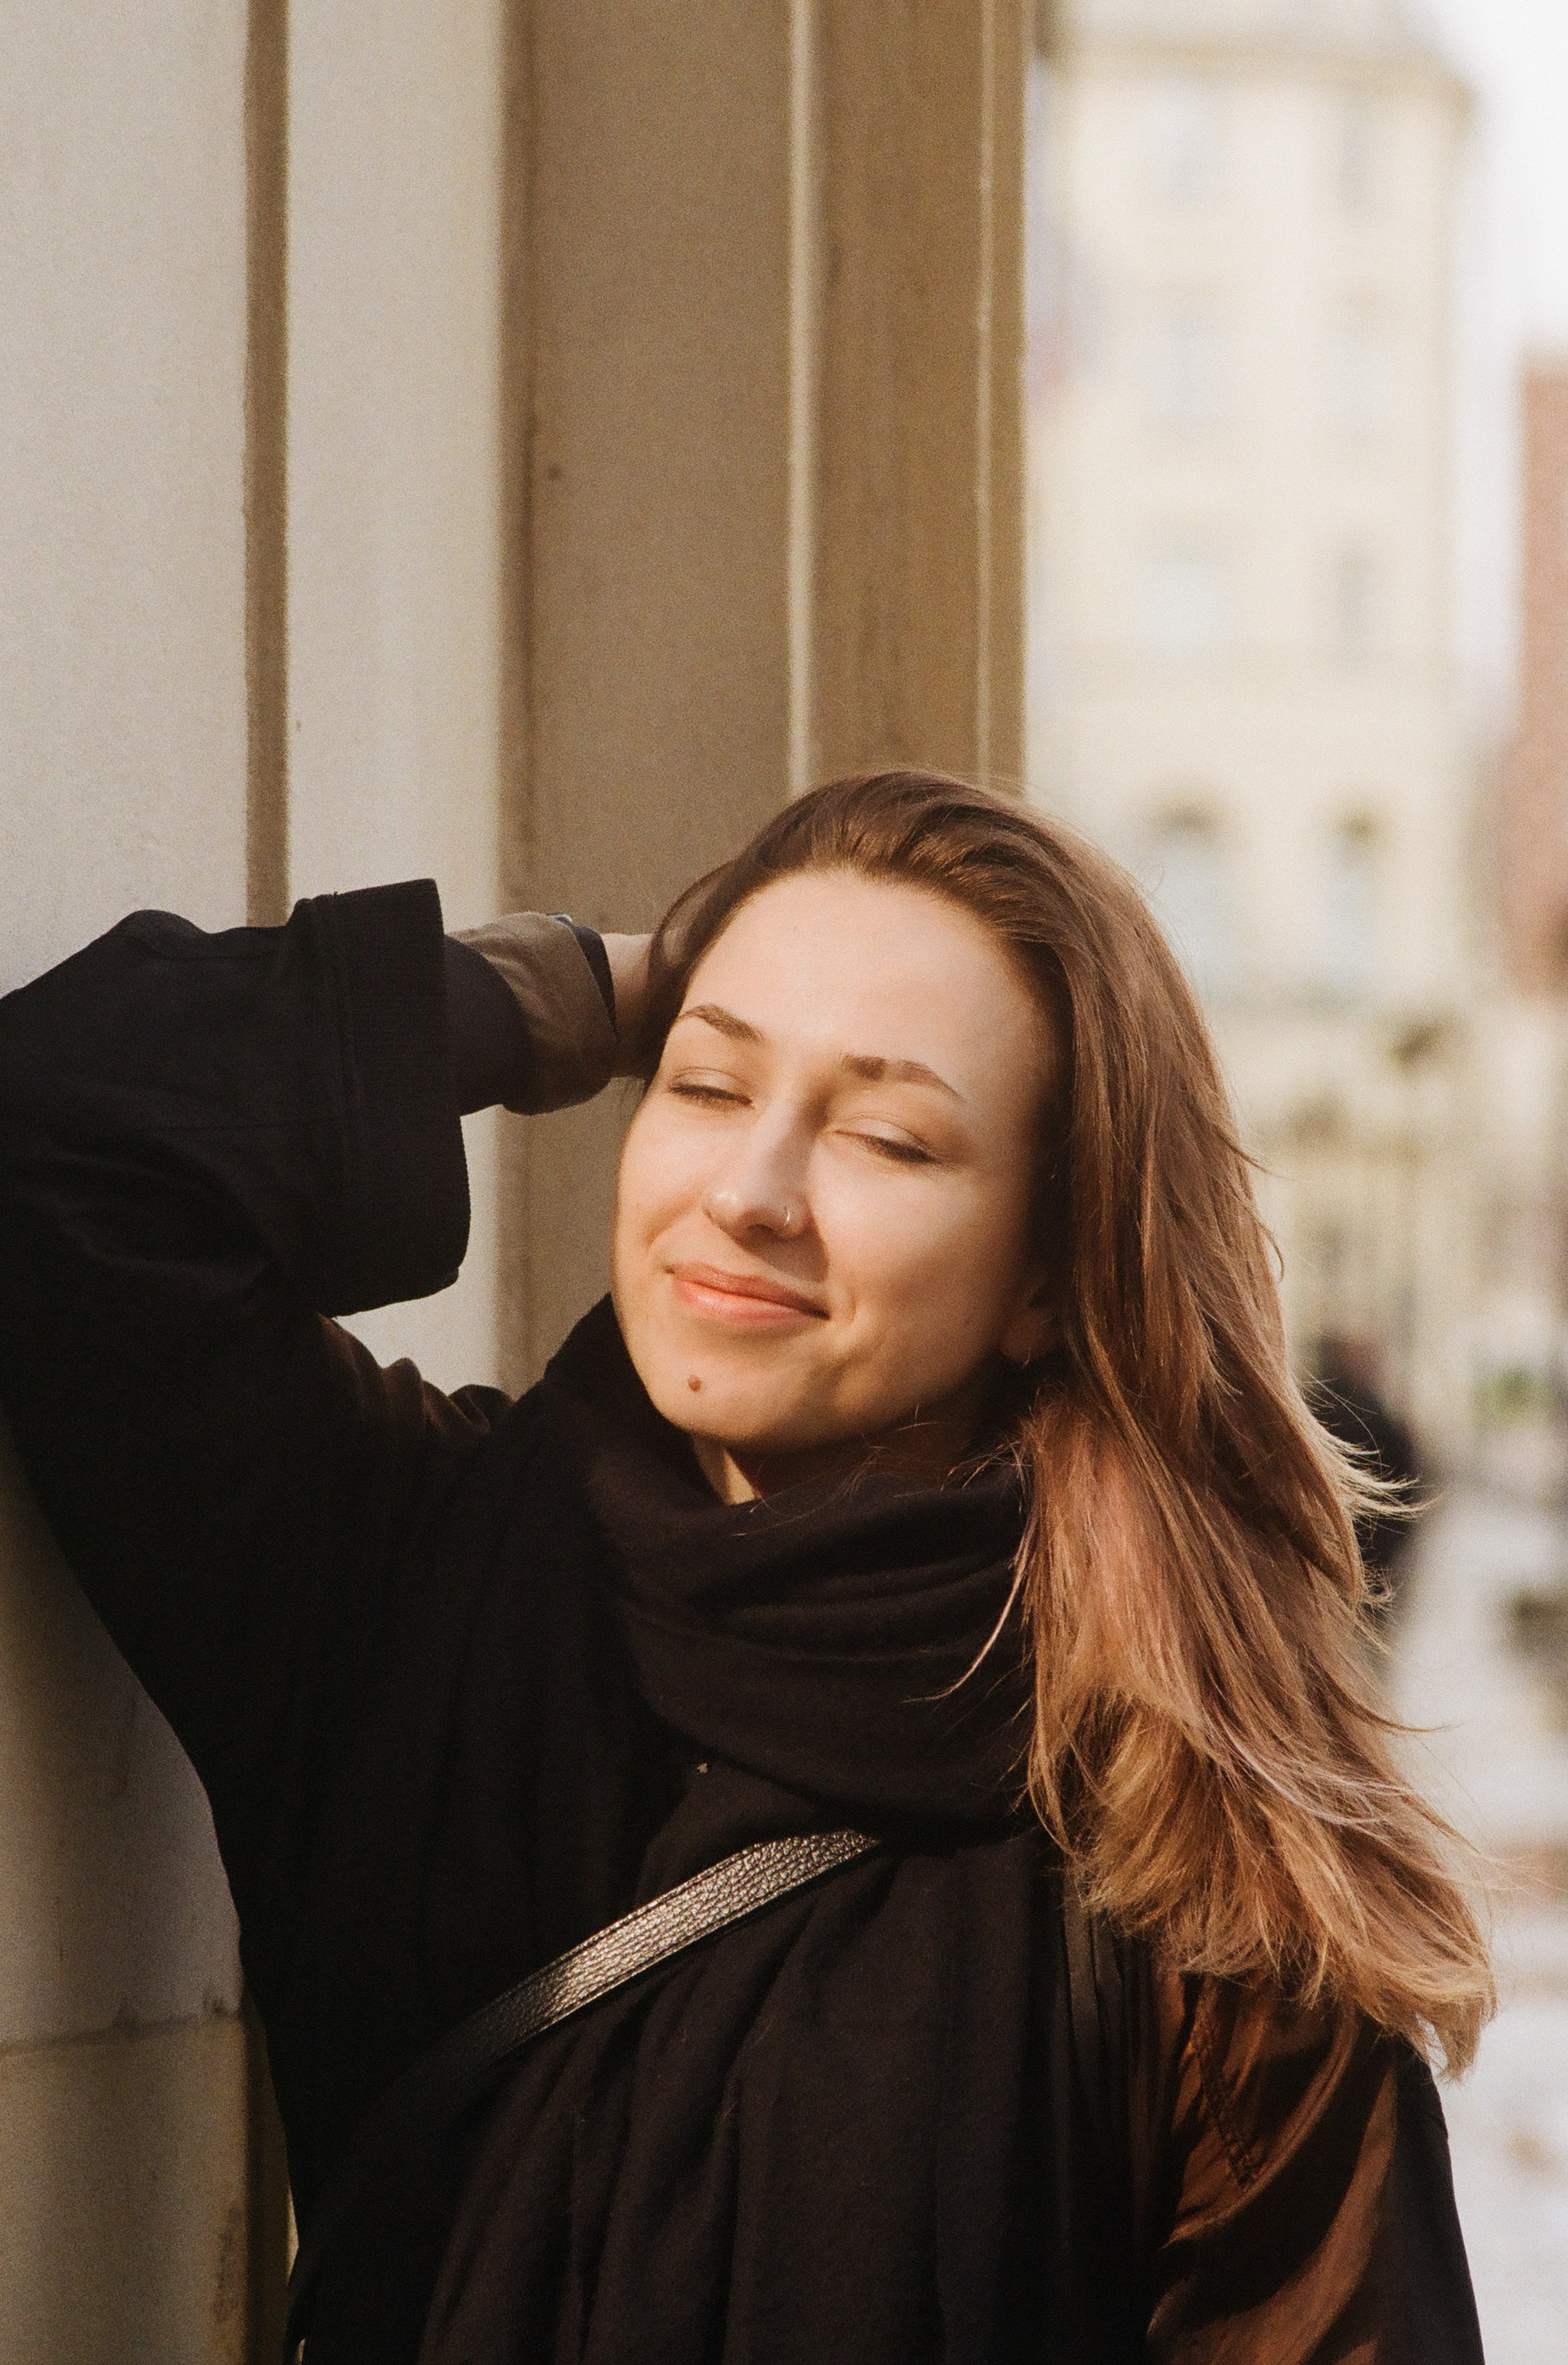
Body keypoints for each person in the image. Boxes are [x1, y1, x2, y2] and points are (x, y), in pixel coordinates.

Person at [0, 772, 1491, 2363]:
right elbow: (63, 1127)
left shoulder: (1193, 1868)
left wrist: (733, 1013)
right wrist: (608, 984)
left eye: (888, 1136)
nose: (749, 1194)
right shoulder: (406, 1580)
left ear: (1048, 1281)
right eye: (706, 1087)